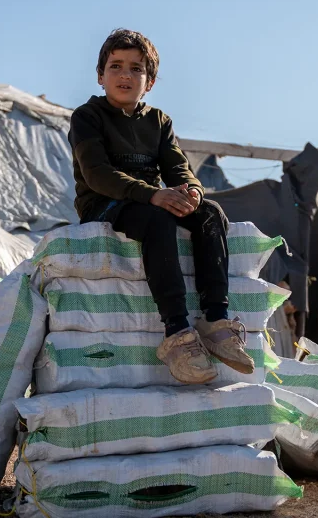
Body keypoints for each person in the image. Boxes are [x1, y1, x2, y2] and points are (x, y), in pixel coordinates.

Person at [67, 28, 254, 384]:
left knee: (211, 213)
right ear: (100, 75)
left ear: (149, 81)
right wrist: (153, 194)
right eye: (116, 66)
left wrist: (193, 192)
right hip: (105, 203)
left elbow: (180, 169)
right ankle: (178, 334)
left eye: (136, 68)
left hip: (151, 200)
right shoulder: (87, 116)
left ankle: (215, 320)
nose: (125, 75)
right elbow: (97, 174)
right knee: (158, 219)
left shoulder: (159, 121)